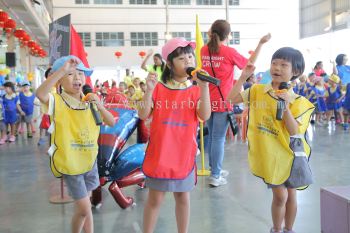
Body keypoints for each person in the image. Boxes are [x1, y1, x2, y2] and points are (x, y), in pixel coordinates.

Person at [227, 47, 315, 233]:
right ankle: (276, 229)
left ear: (296, 72)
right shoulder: (257, 91)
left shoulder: (299, 102)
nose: (277, 67)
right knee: (280, 196)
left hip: (292, 156)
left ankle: (288, 229)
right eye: (274, 63)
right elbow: (232, 98)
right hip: (270, 155)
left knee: (291, 195)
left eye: (284, 65)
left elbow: (294, 131)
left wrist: (285, 106)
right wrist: (243, 77)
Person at [138, 37, 211, 233]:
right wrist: (148, 91)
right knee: (155, 198)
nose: (188, 61)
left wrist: (204, 88)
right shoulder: (159, 88)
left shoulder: (196, 90)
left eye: (190, 56)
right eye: (181, 58)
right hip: (160, 153)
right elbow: (143, 114)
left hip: (184, 154)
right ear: (169, 64)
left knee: (183, 198)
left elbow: (204, 115)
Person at [36, 55, 114, 233]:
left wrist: (100, 106)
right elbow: (40, 94)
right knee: (85, 208)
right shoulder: (57, 101)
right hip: (71, 164)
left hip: (89, 162)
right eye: (70, 74)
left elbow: (111, 122)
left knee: (83, 210)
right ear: (60, 80)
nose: (77, 77)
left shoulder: (90, 101)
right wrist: (61, 70)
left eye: (81, 74)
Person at [200, 19, 270, 187]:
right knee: (218, 138)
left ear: (212, 32)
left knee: (212, 137)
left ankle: (214, 169)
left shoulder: (203, 50)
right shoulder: (229, 52)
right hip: (225, 100)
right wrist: (260, 44)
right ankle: (215, 175)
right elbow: (250, 65)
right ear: (228, 35)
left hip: (208, 101)